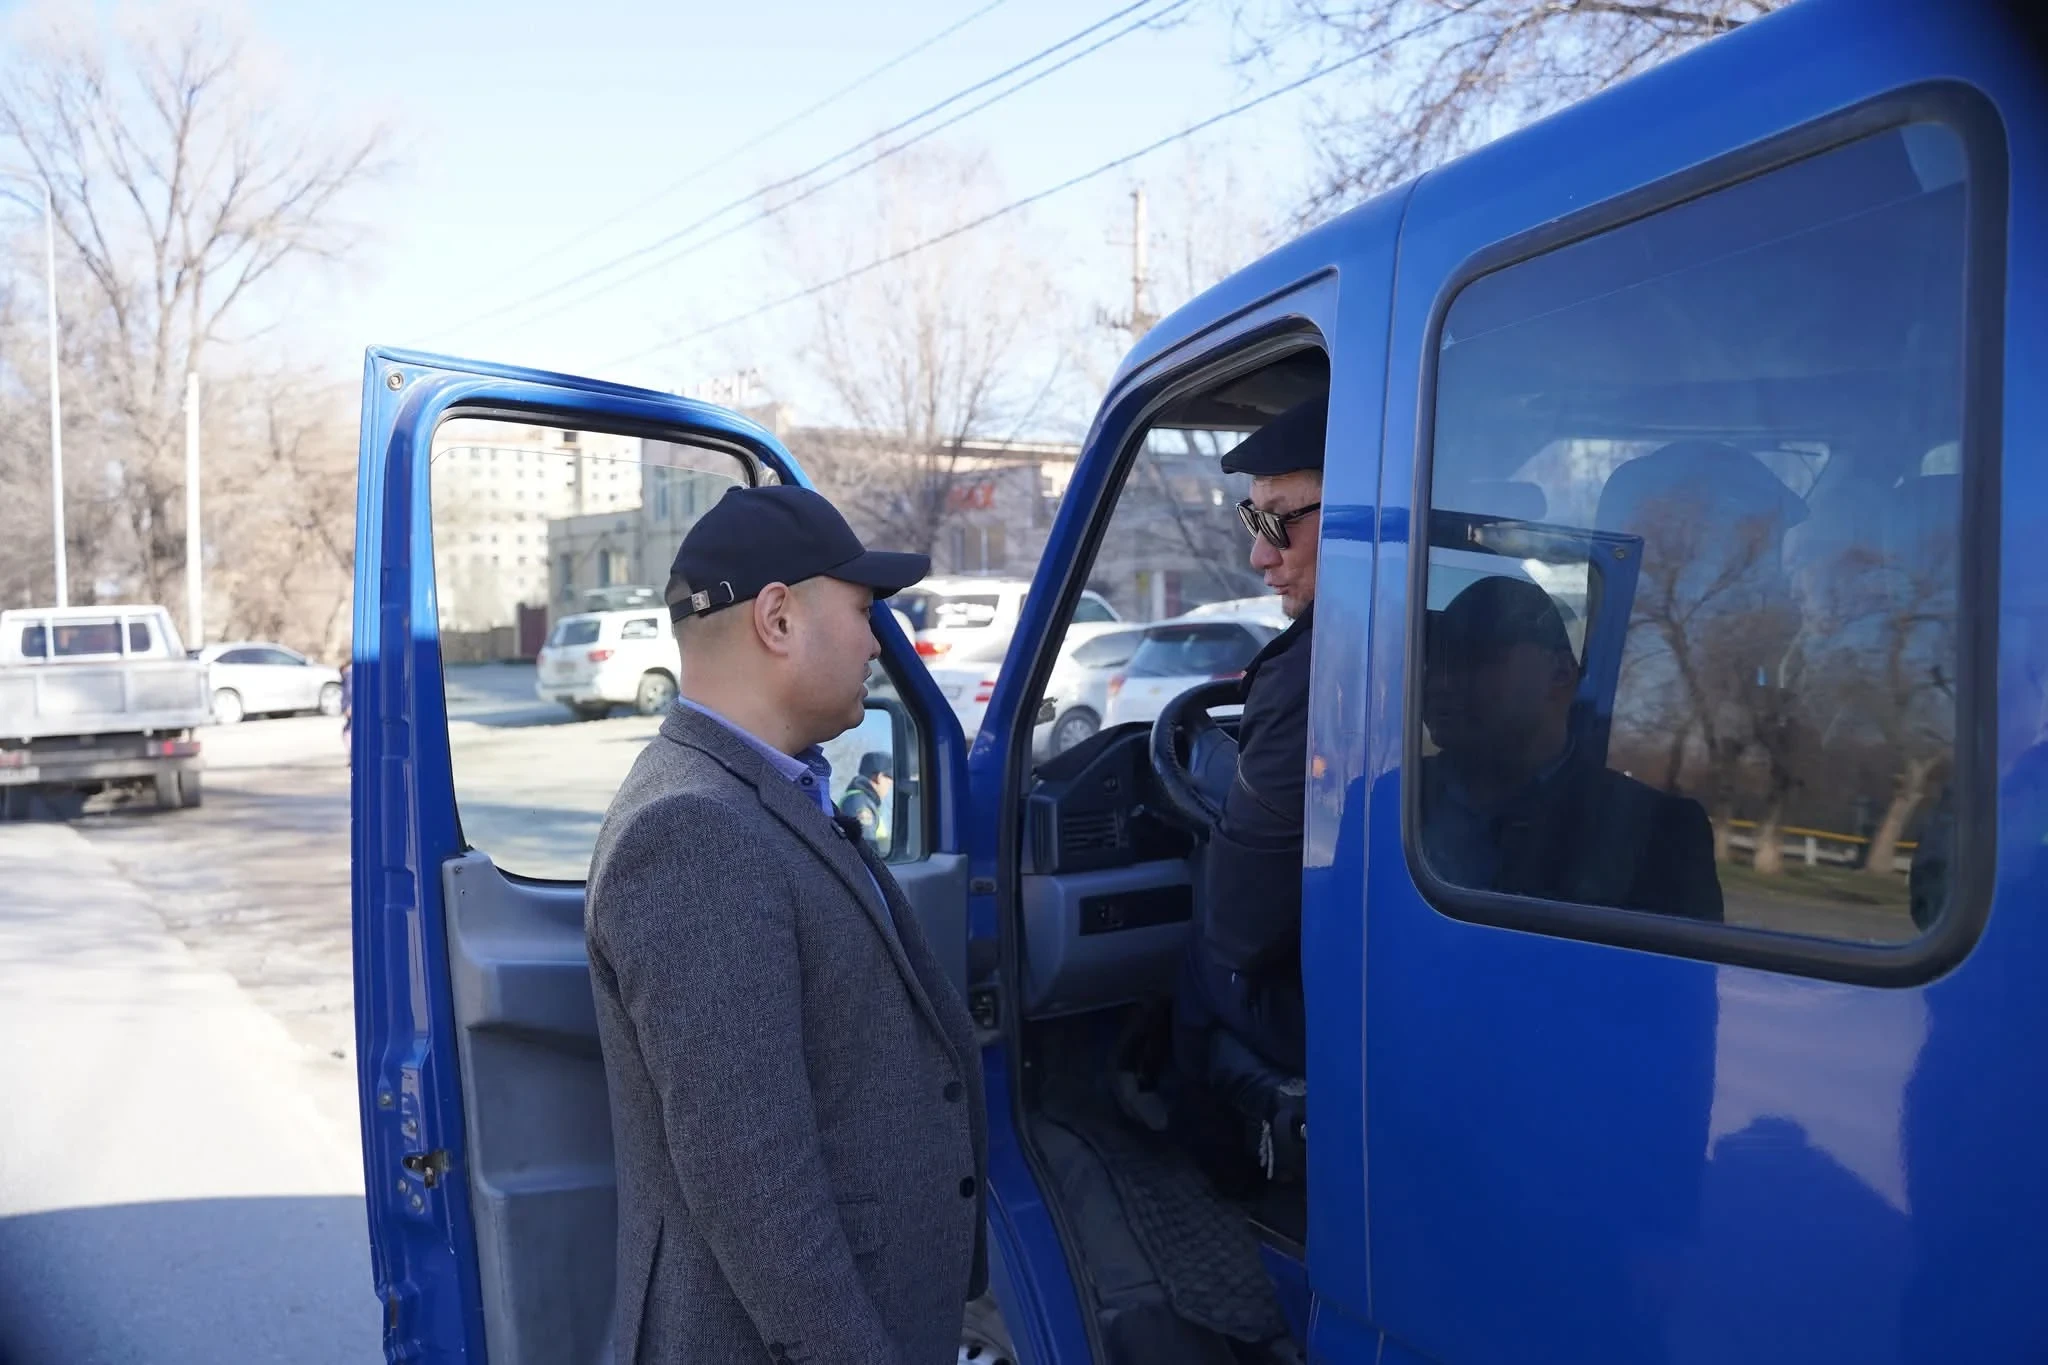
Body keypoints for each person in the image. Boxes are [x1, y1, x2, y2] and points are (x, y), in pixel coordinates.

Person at [585, 484, 988, 1365]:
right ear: (777, 618)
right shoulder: (693, 830)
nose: (877, 642)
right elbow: (753, 1181)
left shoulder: (762, 789)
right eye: (863, 610)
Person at [1169, 396, 1325, 1102]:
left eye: (1279, 521)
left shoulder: (1315, 671)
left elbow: (1243, 926)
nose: (1260, 553)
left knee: (1207, 960)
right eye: (1251, 520)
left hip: (1348, 1004)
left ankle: (1189, 1146)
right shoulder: (1454, 632)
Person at [1419, 574, 1723, 920]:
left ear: (1561, 673)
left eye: (1475, 658)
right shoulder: (1389, 799)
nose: (1439, 683)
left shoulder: (1660, 835)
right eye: (1434, 662)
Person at [839, 751, 893, 850]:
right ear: (879, 777)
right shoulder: (859, 802)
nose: (889, 788)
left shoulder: (862, 801)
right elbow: (866, 848)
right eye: (889, 781)